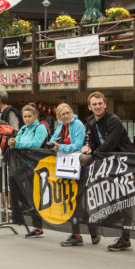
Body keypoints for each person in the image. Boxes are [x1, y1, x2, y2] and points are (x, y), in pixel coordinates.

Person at [81, 91, 135, 250]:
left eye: (100, 103)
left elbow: (110, 144)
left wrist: (93, 152)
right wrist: (87, 147)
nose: (97, 106)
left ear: (105, 104)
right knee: (111, 194)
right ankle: (115, 216)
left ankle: (125, 239)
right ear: (89, 107)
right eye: (94, 104)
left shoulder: (114, 120)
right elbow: (90, 141)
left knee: (126, 200)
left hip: (124, 163)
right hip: (107, 163)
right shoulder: (90, 121)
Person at [49, 103, 93, 247]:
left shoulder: (78, 124)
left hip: (78, 167)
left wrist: (60, 147)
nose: (66, 116)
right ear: (59, 117)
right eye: (62, 114)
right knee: (70, 201)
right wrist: (54, 144)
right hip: (64, 167)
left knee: (75, 201)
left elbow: (78, 145)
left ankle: (78, 235)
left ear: (72, 112)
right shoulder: (61, 126)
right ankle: (91, 230)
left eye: (68, 113)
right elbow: (52, 140)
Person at [8, 103, 50, 237]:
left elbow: (36, 144)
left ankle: (38, 226)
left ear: (35, 116)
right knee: (13, 180)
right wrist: (12, 142)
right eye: (25, 116)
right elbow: (16, 140)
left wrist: (17, 144)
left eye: (29, 116)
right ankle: (26, 209)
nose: (26, 119)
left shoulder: (40, 128)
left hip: (37, 167)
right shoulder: (24, 128)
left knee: (35, 196)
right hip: (23, 165)